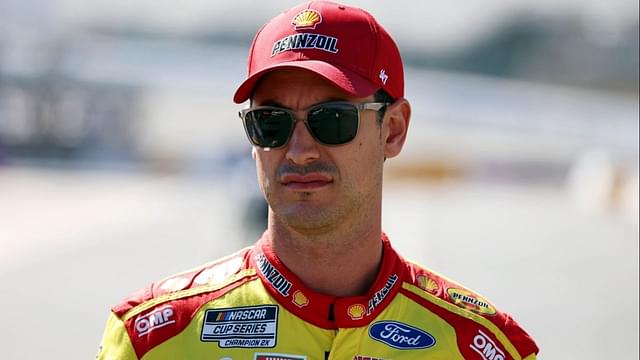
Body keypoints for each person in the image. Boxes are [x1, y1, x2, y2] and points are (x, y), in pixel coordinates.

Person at [97, 1, 539, 359]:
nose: (299, 149)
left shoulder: (482, 348)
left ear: (394, 129)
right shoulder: (150, 341)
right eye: (271, 121)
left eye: (332, 120)